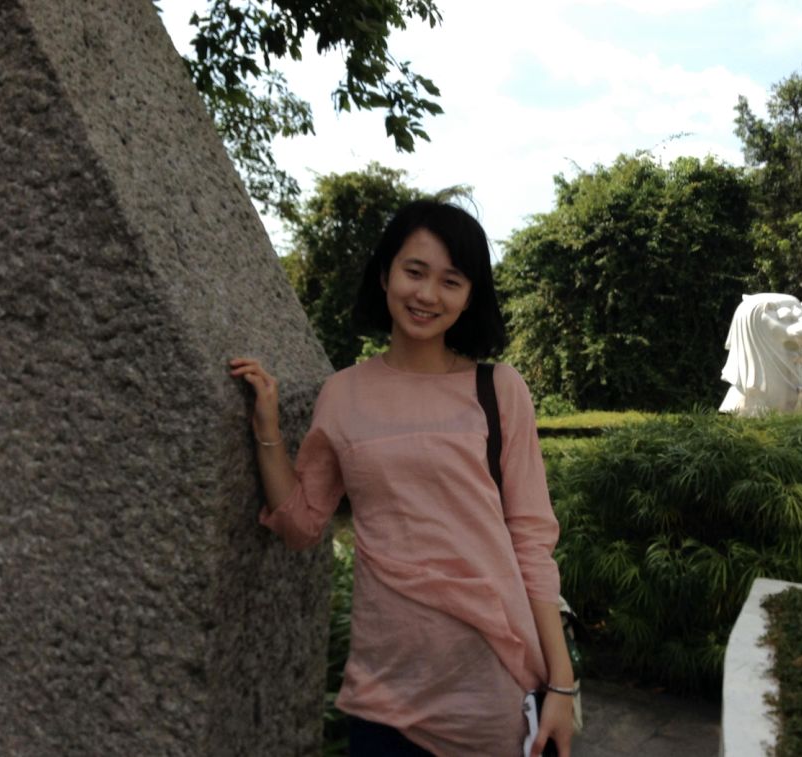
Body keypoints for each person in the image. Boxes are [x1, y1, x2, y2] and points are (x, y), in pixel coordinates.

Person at [229, 200, 575, 756]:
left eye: (451, 281)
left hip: (493, 692)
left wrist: (561, 684)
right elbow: (300, 524)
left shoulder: (499, 390)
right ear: (385, 273)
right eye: (415, 272)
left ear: (469, 297)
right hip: (384, 695)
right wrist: (266, 428)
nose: (428, 295)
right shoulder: (342, 395)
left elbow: (532, 544)